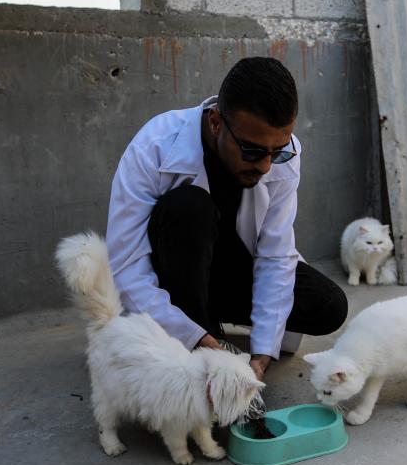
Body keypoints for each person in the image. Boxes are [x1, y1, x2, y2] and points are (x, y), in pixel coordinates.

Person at [106, 56, 348, 384]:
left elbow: (276, 254)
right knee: (189, 207)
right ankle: (196, 328)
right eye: (252, 151)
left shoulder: (283, 155)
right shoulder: (154, 147)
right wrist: (196, 339)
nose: (265, 165)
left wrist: (262, 353)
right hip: (173, 270)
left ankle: (210, 317)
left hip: (226, 271)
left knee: (327, 305)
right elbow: (127, 268)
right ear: (216, 122)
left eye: (276, 151)